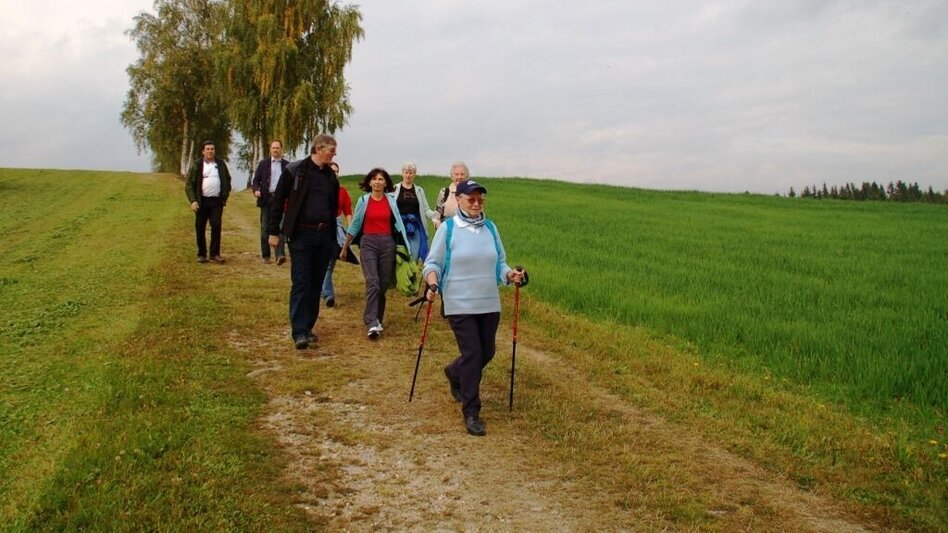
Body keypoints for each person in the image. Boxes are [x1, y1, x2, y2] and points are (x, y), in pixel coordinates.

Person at [423, 179, 527, 436]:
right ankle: (471, 412)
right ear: (458, 200)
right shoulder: (448, 229)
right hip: (459, 303)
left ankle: (454, 372)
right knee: (472, 355)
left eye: (481, 199)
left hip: (489, 302)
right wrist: (432, 281)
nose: (477, 203)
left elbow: (499, 263)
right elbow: (432, 264)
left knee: (487, 352)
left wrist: (510, 275)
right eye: (471, 199)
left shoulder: (490, 228)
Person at [267, 134, 340, 350]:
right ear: (318, 148)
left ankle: (308, 327)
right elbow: (278, 201)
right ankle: (298, 332)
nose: (334, 153)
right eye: (331, 149)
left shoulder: (330, 176)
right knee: (301, 281)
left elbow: (333, 206)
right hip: (301, 236)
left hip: (324, 236)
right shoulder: (295, 171)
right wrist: (274, 232)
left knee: (316, 282)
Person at [340, 168, 410, 339]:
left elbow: (399, 224)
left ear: (386, 183)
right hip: (368, 243)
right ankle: (371, 321)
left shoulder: (391, 201)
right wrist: (345, 247)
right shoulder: (364, 201)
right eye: (374, 179)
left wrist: (406, 248)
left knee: (383, 284)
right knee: (373, 281)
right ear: (369, 182)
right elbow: (355, 224)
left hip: (387, 243)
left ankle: (377, 319)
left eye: (381, 179)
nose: (378, 182)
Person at [185, 140, 232, 263]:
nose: (210, 151)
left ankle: (215, 254)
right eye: (208, 149)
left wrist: (224, 196)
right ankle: (201, 254)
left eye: (212, 149)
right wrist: (193, 200)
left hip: (216, 201)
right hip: (202, 201)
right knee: (200, 227)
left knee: (216, 226)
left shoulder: (220, 164)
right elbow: (189, 184)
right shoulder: (198, 164)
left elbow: (227, 180)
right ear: (203, 151)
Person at [321, 161, 354, 308]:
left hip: (337, 227)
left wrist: (351, 229)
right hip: (321, 226)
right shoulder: (319, 190)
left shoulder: (342, 191)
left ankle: (325, 292)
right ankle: (327, 293)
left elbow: (347, 210)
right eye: (331, 171)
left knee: (330, 261)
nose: (334, 173)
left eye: (336, 171)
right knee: (324, 263)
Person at [252, 139, 290, 265]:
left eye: (277, 148)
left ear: (281, 149)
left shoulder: (287, 165)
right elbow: (256, 180)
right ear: (270, 149)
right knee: (265, 228)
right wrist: (256, 190)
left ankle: (280, 255)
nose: (275, 150)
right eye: (273, 148)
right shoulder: (263, 164)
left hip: (281, 199)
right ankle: (266, 255)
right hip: (266, 198)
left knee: (280, 227)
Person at [394, 161, 437, 262]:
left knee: (414, 256)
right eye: (406, 172)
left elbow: (426, 210)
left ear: (414, 174)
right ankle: (401, 277)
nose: (408, 175)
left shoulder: (419, 190)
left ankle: (412, 277)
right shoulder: (394, 189)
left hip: (415, 227)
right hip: (398, 228)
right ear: (402, 173)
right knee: (399, 257)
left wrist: (436, 216)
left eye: (411, 172)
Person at [433, 161, 470, 228]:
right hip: (448, 232)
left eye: (462, 174)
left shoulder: (472, 193)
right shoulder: (444, 192)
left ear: (466, 176)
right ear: (452, 177)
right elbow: (436, 216)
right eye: (456, 174)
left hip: (466, 231)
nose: (459, 177)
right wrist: (441, 228)